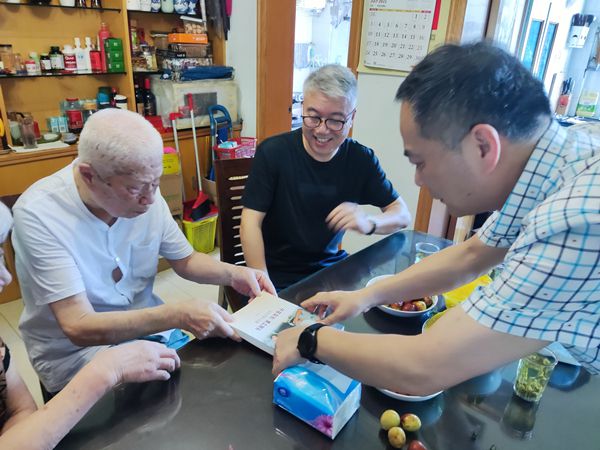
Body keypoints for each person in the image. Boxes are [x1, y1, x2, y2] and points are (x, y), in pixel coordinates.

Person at [272, 42, 600, 394]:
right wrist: (365, 296)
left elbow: (426, 366)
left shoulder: (573, 219)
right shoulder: (556, 162)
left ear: (483, 146)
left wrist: (311, 339)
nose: (418, 180)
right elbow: (472, 255)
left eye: (421, 161)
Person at [11, 108, 275, 396]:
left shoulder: (145, 184)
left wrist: (236, 274)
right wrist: (177, 314)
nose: (150, 198)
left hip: (149, 335)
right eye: (135, 188)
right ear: (89, 175)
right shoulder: (39, 214)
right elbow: (78, 325)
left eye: (156, 182)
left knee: (219, 388)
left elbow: (186, 260)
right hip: (76, 357)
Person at [0, 200, 181, 449]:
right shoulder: (39, 213)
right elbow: (78, 326)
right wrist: (106, 370)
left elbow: (20, 410)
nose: (7, 277)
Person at [241, 64, 411, 291]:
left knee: (380, 300)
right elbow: (250, 222)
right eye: (313, 117)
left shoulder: (360, 159)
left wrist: (369, 223)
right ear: (303, 108)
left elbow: (402, 215)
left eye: (335, 120)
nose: (322, 130)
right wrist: (262, 283)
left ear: (351, 117)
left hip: (332, 270)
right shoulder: (273, 153)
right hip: (276, 274)